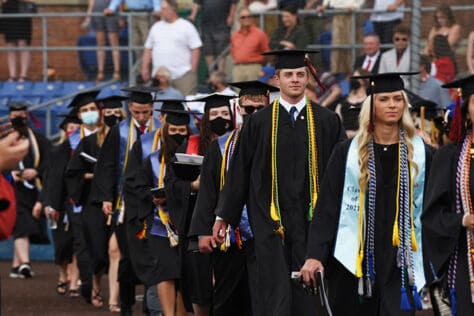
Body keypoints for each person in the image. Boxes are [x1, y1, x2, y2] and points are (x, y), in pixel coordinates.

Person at [212, 50, 346, 315]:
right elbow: (239, 173)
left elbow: (340, 175)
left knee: (310, 298)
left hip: (312, 225)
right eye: (289, 75)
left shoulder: (327, 121)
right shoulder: (258, 123)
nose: (295, 80)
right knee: (273, 297)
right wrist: (223, 216)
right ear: (277, 79)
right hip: (270, 225)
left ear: (307, 78)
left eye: (300, 74)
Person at [300, 72, 433, 315]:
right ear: (371, 105)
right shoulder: (347, 153)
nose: (392, 105)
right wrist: (315, 255)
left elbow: (435, 208)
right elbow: (328, 208)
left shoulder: (423, 154)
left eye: (397, 99)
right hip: (354, 260)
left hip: (402, 262)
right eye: (384, 99)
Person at [189, 81, 278, 316]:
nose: (255, 114)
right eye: (249, 109)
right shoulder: (221, 146)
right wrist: (203, 230)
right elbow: (208, 191)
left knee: (266, 299)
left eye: (261, 109)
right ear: (238, 110)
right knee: (228, 299)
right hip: (231, 235)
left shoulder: (280, 144)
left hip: (271, 235)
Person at [91, 86, 160, 315]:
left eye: (146, 112)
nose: (141, 117)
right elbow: (107, 166)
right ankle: (127, 304)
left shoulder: (161, 130)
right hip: (125, 204)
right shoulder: (119, 131)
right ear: (129, 108)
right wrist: (105, 198)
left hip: (154, 204)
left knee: (153, 254)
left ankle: (152, 305)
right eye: (137, 112)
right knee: (127, 255)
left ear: (152, 109)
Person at [166, 93, 235, 316]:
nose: (220, 118)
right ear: (205, 117)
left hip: (233, 226)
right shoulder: (191, 144)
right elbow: (171, 183)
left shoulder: (241, 142)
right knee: (200, 285)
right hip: (199, 223)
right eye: (214, 114)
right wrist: (193, 186)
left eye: (225, 113)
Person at [66, 95, 127, 311]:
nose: (112, 115)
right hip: (94, 203)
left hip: (121, 203)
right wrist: (94, 176)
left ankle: (114, 298)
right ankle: (95, 285)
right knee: (99, 251)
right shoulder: (90, 142)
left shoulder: (130, 140)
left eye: (116, 112)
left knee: (116, 251)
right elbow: (72, 172)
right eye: (108, 112)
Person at [132, 104, 194, 316]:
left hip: (188, 223)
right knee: (166, 272)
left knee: (184, 275)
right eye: (173, 131)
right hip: (161, 225)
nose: (177, 135)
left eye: (182, 131)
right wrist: (152, 196)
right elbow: (138, 187)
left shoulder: (195, 156)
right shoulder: (152, 159)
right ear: (165, 130)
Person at [422, 75, 474, 316]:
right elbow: (432, 218)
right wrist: (462, 220)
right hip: (465, 260)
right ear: (466, 110)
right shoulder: (449, 157)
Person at [62, 90, 102, 301]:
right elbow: (66, 173)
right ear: (79, 115)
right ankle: (88, 284)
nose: (89, 113)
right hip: (80, 199)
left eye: (92, 109)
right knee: (83, 244)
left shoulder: (109, 135)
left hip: (105, 199)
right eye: (85, 110)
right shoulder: (72, 140)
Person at [8, 101, 51, 279]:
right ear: (10, 117)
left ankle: (16, 266)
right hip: (11, 190)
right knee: (21, 225)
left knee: (26, 225)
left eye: (22, 114)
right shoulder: (4, 138)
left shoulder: (39, 139)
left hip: (34, 189)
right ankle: (25, 263)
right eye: (15, 115)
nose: (19, 117)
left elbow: (49, 161)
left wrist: (36, 171)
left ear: (27, 115)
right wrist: (11, 173)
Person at [141, 0, 202, 96]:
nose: (161, 11)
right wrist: (144, 68)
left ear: (172, 10)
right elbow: (148, 48)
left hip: (183, 75)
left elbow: (196, 48)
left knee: (186, 106)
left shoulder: (186, 26)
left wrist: (192, 71)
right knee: (160, 107)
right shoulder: (156, 27)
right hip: (160, 77)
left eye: (164, 8)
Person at [104, 0, 162, 83]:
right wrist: (111, 8)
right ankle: (141, 75)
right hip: (132, 15)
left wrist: (157, 8)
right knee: (135, 45)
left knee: (148, 45)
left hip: (146, 14)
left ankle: (151, 75)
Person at [314, 0, 365, 77]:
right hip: (338, 11)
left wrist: (357, 6)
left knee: (352, 42)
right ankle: (338, 73)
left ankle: (352, 73)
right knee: (338, 42)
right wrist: (324, 5)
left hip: (353, 11)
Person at [188, 0, 238, 73]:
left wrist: (231, 16)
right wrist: (192, 16)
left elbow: (234, 2)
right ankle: (212, 76)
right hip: (206, 26)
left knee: (221, 53)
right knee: (208, 52)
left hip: (223, 25)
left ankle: (220, 78)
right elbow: (197, 2)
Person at [84, 0, 122, 82]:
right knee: (100, 44)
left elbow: (118, 1)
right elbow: (92, 1)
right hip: (97, 13)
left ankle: (117, 73)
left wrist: (120, 16)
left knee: (114, 43)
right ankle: (100, 73)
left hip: (112, 13)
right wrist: (88, 16)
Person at [230, 6, 270, 82]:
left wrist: (259, 65)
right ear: (239, 19)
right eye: (243, 17)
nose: (246, 19)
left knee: (253, 93)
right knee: (238, 93)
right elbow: (233, 52)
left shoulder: (260, 34)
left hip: (254, 67)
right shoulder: (234, 35)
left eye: (249, 16)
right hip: (238, 68)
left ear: (252, 18)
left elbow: (266, 53)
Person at [2, 0, 33, 81]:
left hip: (21, 11)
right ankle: (12, 75)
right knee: (10, 44)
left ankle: (23, 75)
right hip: (8, 10)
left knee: (22, 43)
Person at [335, 68, 370, 138]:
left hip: (362, 137)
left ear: (364, 81)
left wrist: (355, 133)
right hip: (344, 138)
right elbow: (337, 121)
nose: (353, 81)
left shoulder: (369, 99)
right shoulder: (344, 99)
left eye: (356, 78)